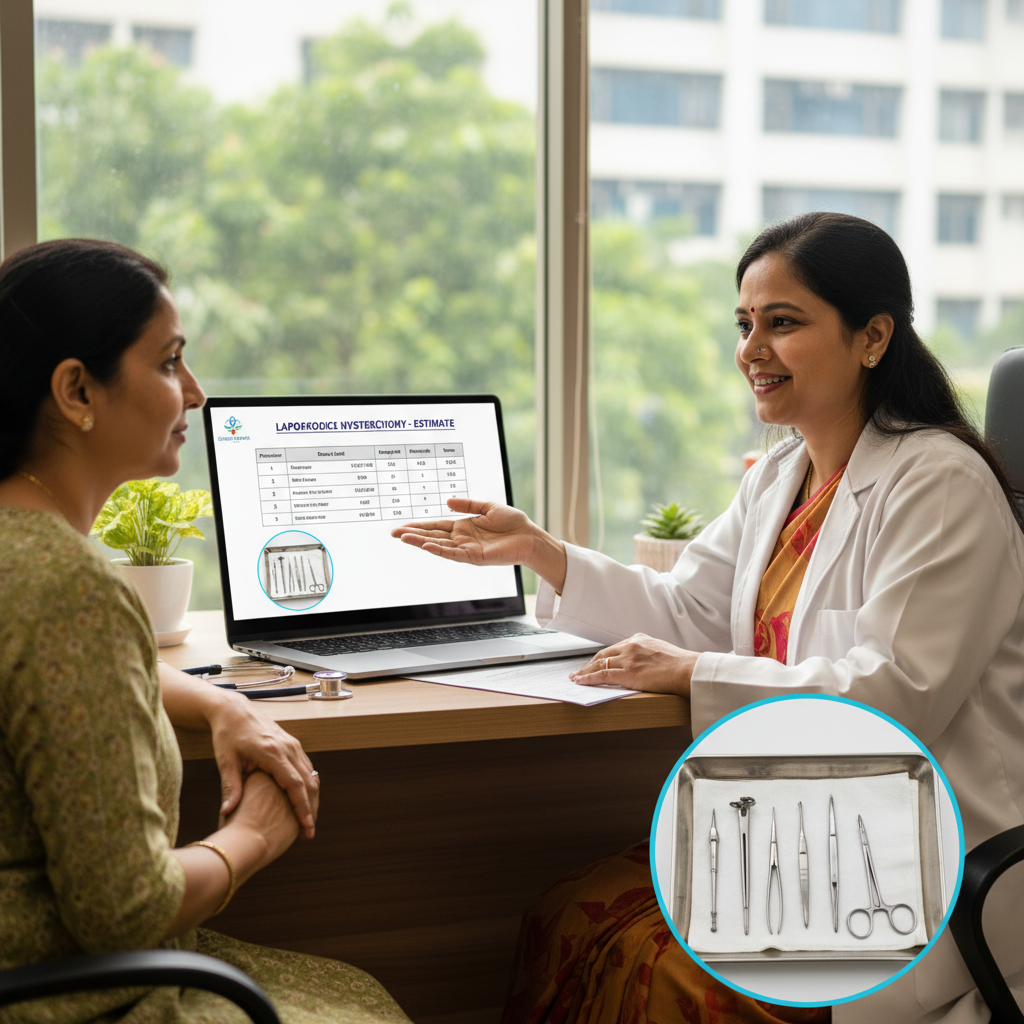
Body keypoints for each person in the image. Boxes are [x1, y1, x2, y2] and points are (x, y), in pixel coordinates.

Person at [393, 212, 1024, 1024]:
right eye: (744, 323)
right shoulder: (783, 475)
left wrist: (695, 674)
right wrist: (545, 554)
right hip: (802, 837)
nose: (751, 349)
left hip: (911, 860)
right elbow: (688, 609)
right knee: (568, 913)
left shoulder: (940, 485)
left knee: (665, 976)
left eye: (783, 323)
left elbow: (893, 700)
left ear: (873, 336)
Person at [0, 238, 410, 1024]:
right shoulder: (69, 585)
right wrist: (258, 832)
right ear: (76, 390)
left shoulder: (29, 563)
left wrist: (219, 703)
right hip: (73, 997)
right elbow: (123, 913)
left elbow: (44, 672)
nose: (193, 392)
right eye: (168, 363)